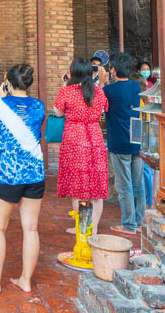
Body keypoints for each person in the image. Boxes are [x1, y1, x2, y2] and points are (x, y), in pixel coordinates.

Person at [0, 64, 44, 294]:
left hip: (8, 173)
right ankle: (25, 280)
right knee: (31, 229)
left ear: (8, 83)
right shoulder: (39, 106)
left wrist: (2, 97)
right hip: (34, 173)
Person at [54, 58, 109, 235]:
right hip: (95, 137)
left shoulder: (67, 91)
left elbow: (58, 113)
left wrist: (64, 86)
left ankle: (82, 227)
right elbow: (104, 109)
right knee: (96, 185)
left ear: (73, 72)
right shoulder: (98, 91)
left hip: (74, 139)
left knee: (77, 185)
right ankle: (94, 228)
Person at [104, 52, 145, 235]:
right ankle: (139, 221)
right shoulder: (136, 86)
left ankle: (129, 224)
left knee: (124, 185)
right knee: (138, 183)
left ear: (113, 70)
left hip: (119, 141)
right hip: (136, 139)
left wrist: (102, 82)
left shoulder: (108, 90)